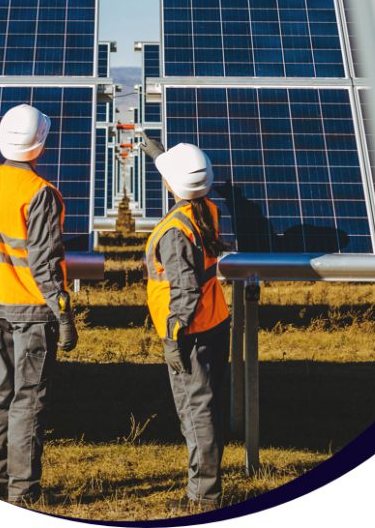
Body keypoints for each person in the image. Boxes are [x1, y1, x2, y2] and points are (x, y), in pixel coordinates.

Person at [0, 103, 78, 505]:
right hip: (32, 312)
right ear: (40, 145)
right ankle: (22, 494)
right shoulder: (40, 193)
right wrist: (64, 314)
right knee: (27, 403)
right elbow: (45, 263)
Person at [141, 138, 230, 511]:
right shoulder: (205, 209)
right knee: (207, 405)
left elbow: (184, 290)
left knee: (196, 411)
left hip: (189, 332)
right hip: (213, 321)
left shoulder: (175, 230)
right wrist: (161, 156)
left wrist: (173, 338)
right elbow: (188, 183)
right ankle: (205, 486)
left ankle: (203, 497)